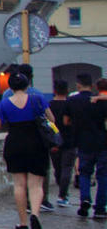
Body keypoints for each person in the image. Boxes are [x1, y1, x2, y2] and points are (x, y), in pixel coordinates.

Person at [0, 73, 57, 229]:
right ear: (28, 85)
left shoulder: (4, 103)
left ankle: (23, 222)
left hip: (15, 143)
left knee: (19, 185)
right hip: (36, 142)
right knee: (36, 184)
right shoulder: (37, 99)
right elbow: (52, 119)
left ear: (10, 87)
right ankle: (35, 213)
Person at [70, 76, 107, 218]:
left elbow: (67, 120)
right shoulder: (101, 103)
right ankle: (100, 208)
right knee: (103, 175)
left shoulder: (75, 101)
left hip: (84, 142)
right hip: (103, 143)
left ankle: (85, 199)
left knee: (84, 173)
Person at [47, 79, 75, 207]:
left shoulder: (49, 105)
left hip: (53, 141)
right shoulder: (70, 104)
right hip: (69, 140)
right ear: (67, 91)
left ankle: (61, 188)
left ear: (54, 91)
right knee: (67, 168)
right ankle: (63, 195)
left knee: (57, 168)